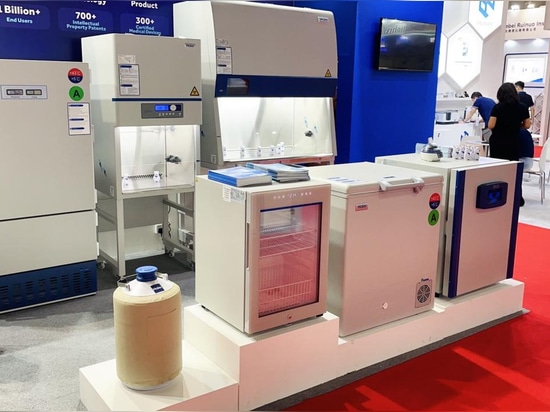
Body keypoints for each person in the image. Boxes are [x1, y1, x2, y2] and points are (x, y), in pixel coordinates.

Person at [487, 82, 531, 206]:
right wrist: (516, 125)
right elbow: (527, 125)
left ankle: (497, 196)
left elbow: (491, 125)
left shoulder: (498, 107)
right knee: (513, 170)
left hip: (498, 142)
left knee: (497, 169)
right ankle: (516, 197)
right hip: (514, 141)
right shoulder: (522, 107)